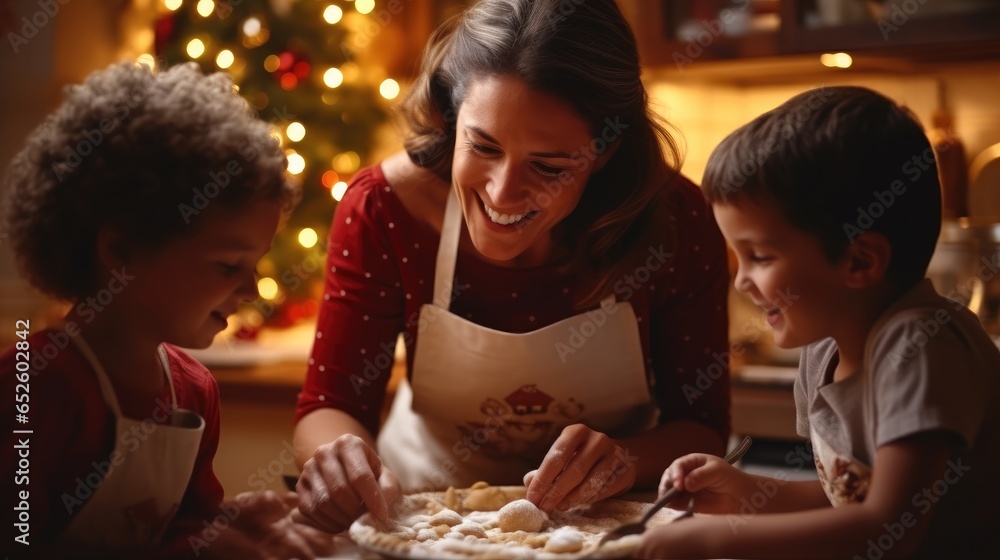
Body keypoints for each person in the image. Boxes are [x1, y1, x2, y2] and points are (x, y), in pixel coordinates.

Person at [293, 0, 732, 534]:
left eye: (549, 165)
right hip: (422, 515)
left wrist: (628, 459)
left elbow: (703, 427)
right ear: (452, 119)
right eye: (482, 145)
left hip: (606, 527)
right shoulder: (384, 209)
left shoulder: (676, 221)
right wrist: (341, 463)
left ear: (606, 150)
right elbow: (329, 405)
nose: (502, 192)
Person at [638, 86, 1000, 559]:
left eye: (760, 256)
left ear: (859, 261)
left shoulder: (919, 347)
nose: (742, 281)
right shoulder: (821, 352)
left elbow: (889, 528)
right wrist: (742, 494)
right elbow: (846, 501)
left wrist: (715, 539)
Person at [0, 61, 332, 559]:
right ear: (123, 251)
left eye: (256, 263)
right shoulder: (34, 386)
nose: (253, 287)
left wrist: (228, 527)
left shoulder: (195, 394)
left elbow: (185, 532)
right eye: (227, 265)